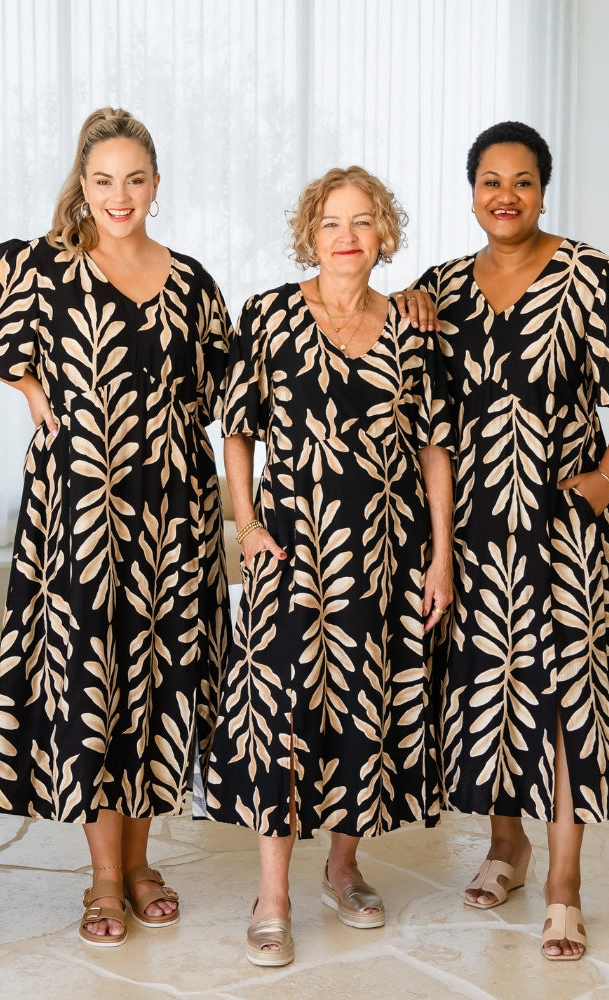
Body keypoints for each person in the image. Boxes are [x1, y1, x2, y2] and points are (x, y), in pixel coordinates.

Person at [0, 108, 232, 946]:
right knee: (95, 679)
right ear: (83, 186)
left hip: (175, 511)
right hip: (81, 508)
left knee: (159, 684)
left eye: (135, 179)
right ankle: (103, 874)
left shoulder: (194, 282)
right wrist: (27, 387)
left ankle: (139, 862)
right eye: (103, 181)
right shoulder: (45, 268)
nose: (119, 196)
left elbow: (232, 392)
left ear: (156, 186)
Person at [414, 121, 609, 961]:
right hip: (473, 530)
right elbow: (404, 378)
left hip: (563, 531)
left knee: (567, 701)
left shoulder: (593, 277)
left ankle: (563, 884)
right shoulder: (444, 287)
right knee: (487, 695)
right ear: (472, 191)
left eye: (522, 181)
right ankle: (505, 845)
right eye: (490, 180)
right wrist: (405, 303)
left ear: (544, 189)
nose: (505, 196)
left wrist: (603, 478)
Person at [204, 166, 454, 966]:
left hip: (387, 549)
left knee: (364, 707)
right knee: (281, 711)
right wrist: (245, 523)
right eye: (331, 223)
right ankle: (272, 893)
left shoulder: (415, 326)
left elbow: (434, 448)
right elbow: (237, 427)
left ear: (385, 232)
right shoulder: (271, 314)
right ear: (309, 233)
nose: (346, 238)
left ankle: (343, 868)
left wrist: (441, 556)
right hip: (293, 545)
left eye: (362, 222)